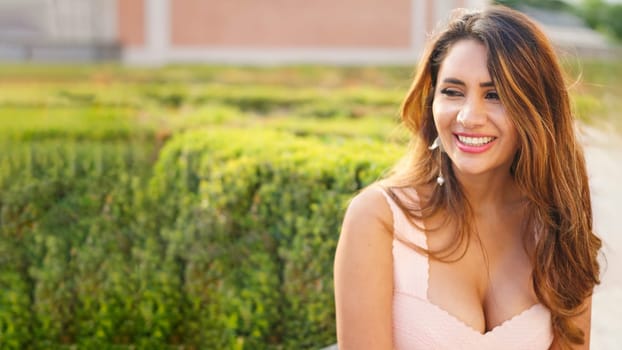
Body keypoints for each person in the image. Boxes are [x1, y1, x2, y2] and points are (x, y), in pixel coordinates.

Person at [333, 5, 602, 350]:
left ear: (536, 108)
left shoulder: (557, 220)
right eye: (452, 91)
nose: (469, 116)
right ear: (432, 100)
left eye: (495, 95)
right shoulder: (378, 219)